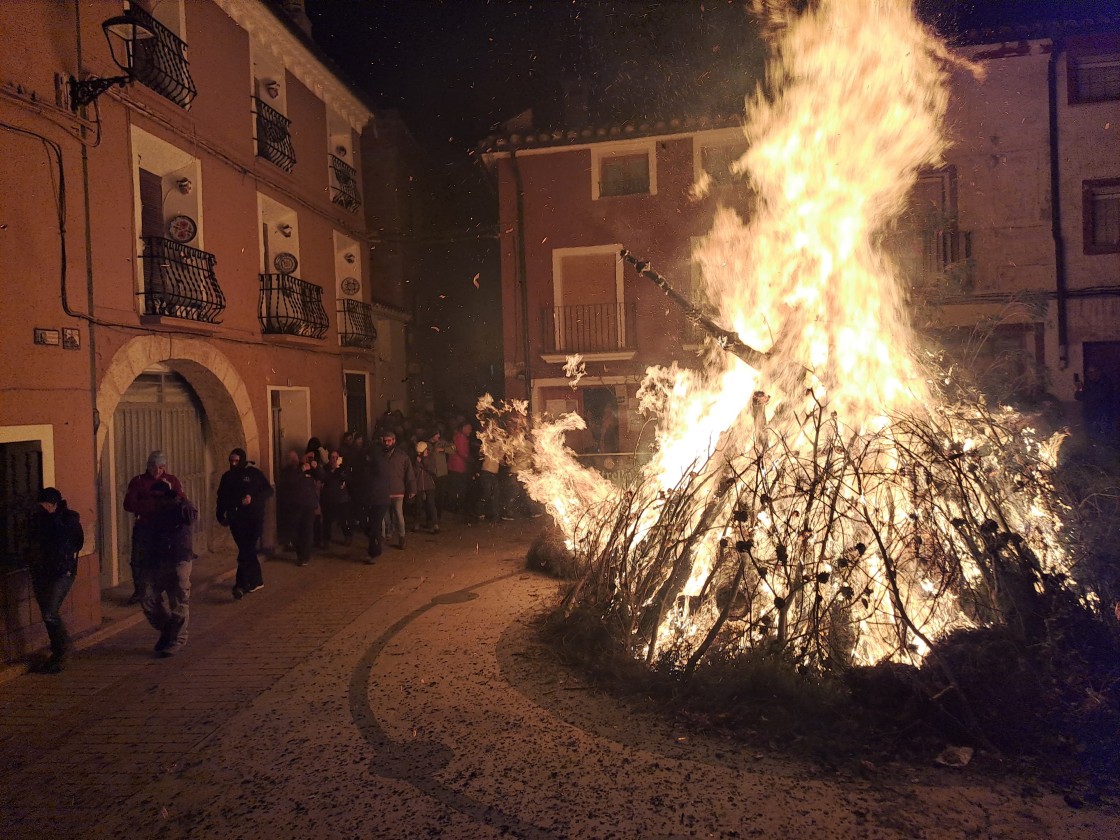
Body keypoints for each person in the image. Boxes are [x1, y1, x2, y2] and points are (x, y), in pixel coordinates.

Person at [27, 487, 84, 673]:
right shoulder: (36, 519)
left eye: (47, 505)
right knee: (47, 613)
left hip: (62, 571)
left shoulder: (69, 519)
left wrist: (52, 518)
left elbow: (72, 542)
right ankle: (60, 650)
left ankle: (62, 651)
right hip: (41, 571)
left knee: (50, 613)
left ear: (55, 504)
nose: (43, 508)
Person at [138, 480, 197, 657]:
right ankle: (168, 629)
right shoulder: (153, 511)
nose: (156, 500)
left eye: (159, 497)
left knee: (178, 599)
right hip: (157, 560)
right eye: (153, 497)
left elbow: (190, 515)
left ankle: (177, 639)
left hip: (179, 558)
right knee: (147, 596)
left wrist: (178, 500)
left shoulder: (179, 508)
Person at [123, 451, 184, 605]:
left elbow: (181, 501)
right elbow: (129, 504)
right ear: (148, 466)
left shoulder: (171, 481)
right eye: (154, 467)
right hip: (144, 526)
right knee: (137, 559)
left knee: (160, 559)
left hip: (163, 528)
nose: (158, 471)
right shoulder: (138, 482)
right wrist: (152, 505)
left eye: (161, 467)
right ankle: (140, 590)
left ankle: (157, 590)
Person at [216, 448, 273, 600]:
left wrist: (252, 498)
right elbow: (221, 497)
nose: (233, 464)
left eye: (236, 461)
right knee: (246, 549)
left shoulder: (254, 474)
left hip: (254, 518)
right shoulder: (227, 477)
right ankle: (256, 579)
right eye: (231, 461)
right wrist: (220, 515)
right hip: (236, 518)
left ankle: (240, 585)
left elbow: (268, 491)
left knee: (245, 551)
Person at [374, 429, 415, 549]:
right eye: (385, 440)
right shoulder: (379, 455)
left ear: (394, 441)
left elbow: (409, 473)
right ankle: (386, 535)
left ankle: (401, 537)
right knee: (385, 516)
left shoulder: (402, 456)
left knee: (398, 515)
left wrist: (412, 489)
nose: (386, 443)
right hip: (384, 491)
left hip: (397, 491)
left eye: (389, 441)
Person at [276, 449, 317, 567]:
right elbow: (290, 481)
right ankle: (300, 553)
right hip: (295, 506)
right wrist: (301, 470)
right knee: (296, 531)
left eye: (296, 457)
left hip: (308, 504)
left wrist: (315, 466)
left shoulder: (306, 467)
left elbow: (321, 475)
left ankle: (305, 556)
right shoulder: (287, 472)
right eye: (291, 458)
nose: (294, 460)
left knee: (307, 530)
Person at [320, 450, 352, 545]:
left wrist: (343, 474)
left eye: (336, 457)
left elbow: (349, 479)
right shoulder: (325, 469)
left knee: (344, 520)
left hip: (341, 499)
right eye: (332, 457)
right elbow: (323, 479)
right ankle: (327, 540)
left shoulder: (342, 468)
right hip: (329, 499)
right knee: (327, 521)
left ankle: (348, 537)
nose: (334, 459)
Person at [412, 441, 439, 534]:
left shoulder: (430, 458)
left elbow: (432, 469)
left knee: (431, 504)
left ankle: (434, 523)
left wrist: (424, 460)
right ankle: (417, 523)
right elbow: (414, 472)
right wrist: (417, 462)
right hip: (419, 485)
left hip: (429, 485)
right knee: (418, 505)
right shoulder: (416, 459)